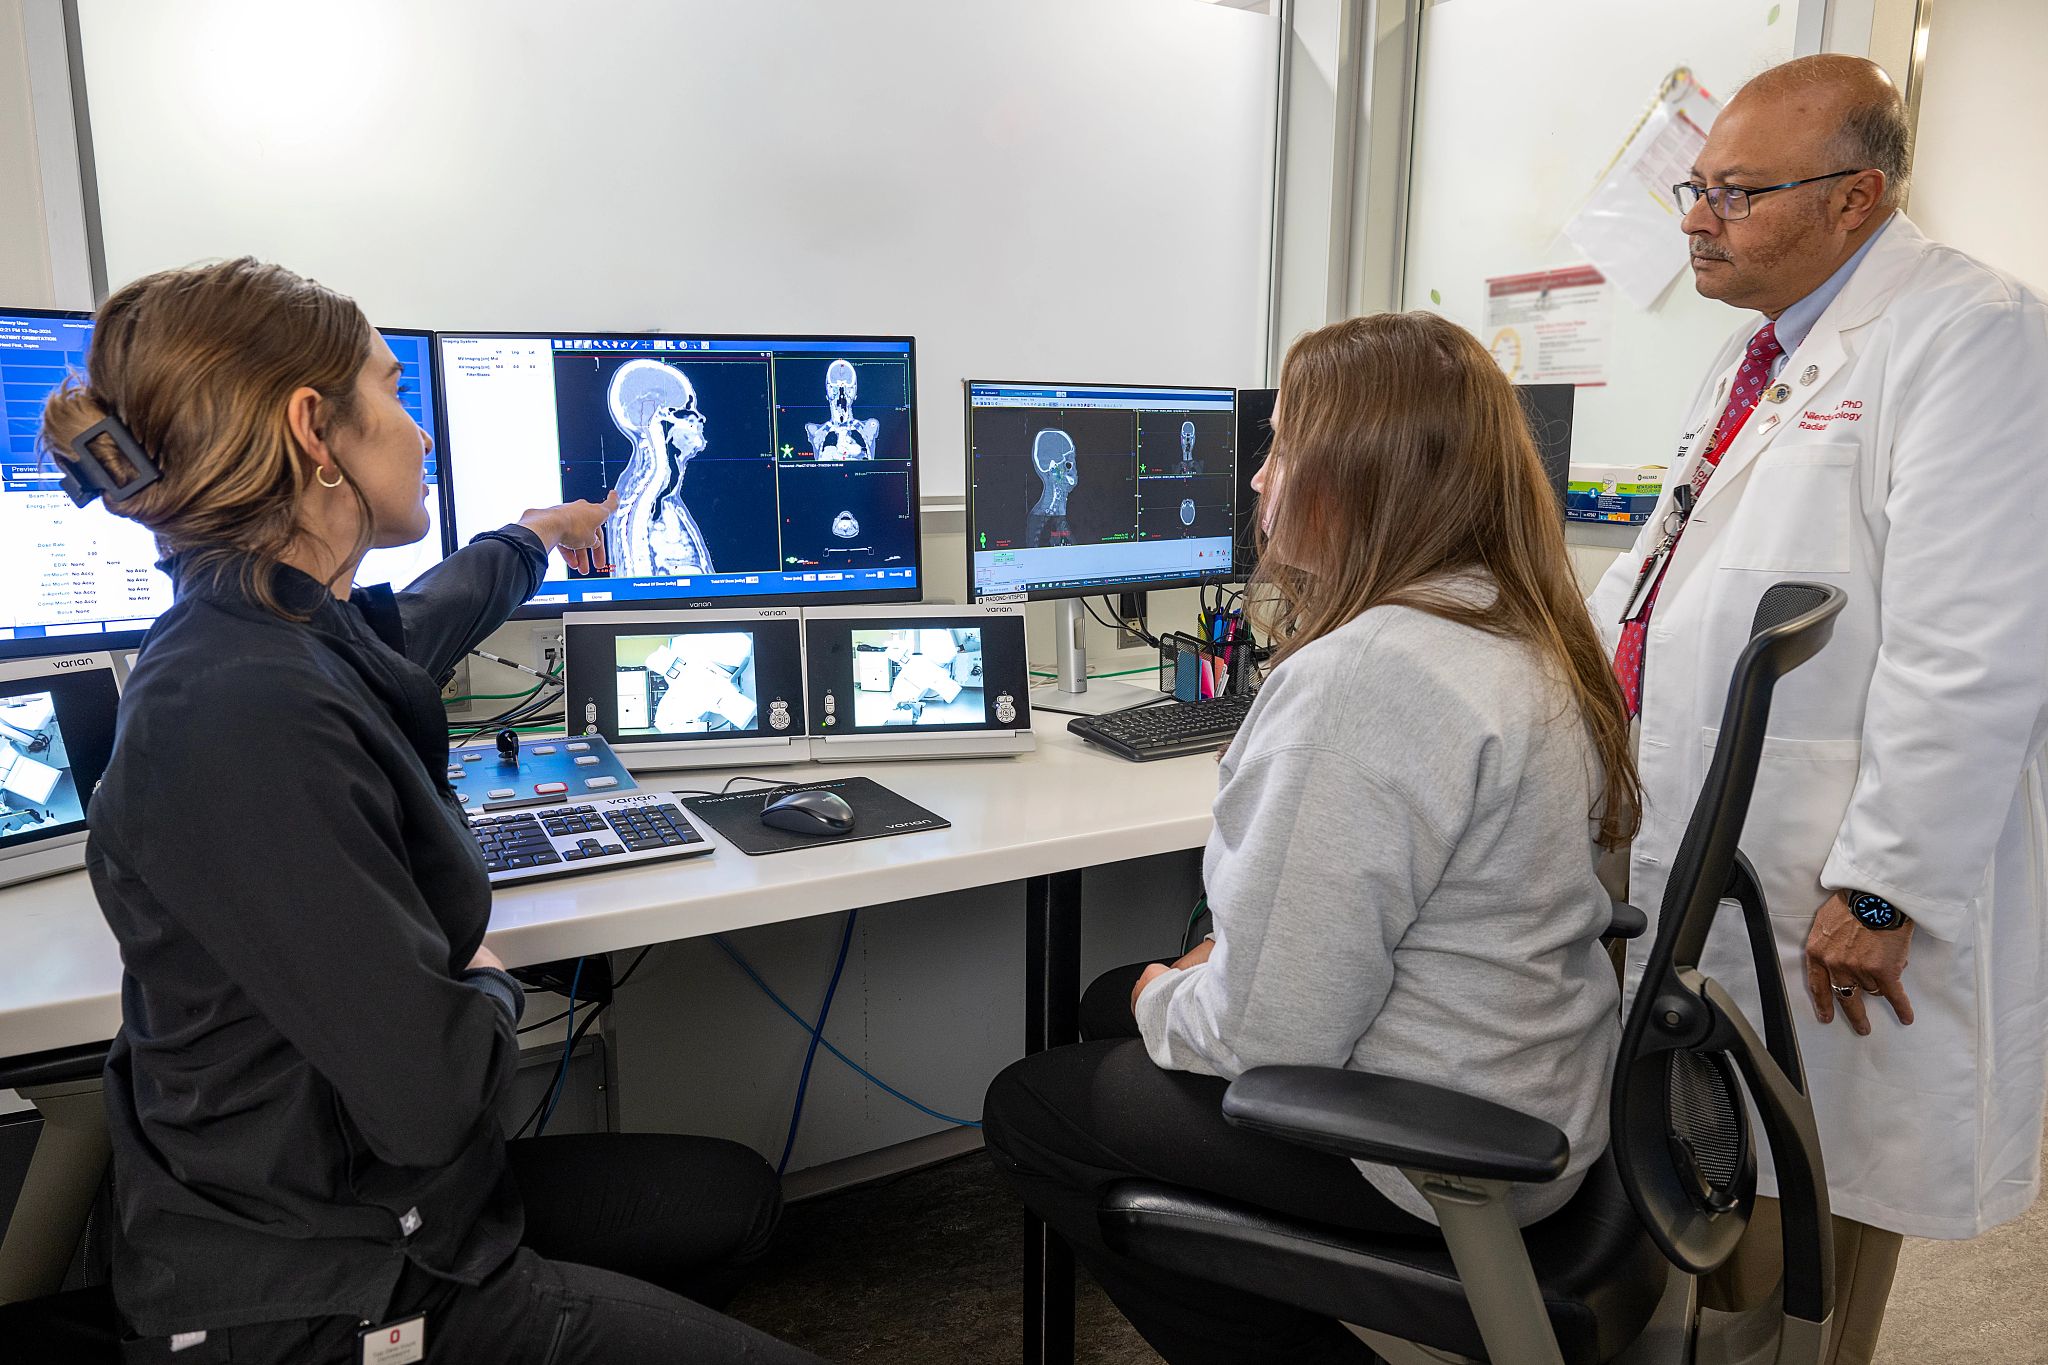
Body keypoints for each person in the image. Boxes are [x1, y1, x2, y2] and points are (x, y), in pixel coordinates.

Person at [44, 258, 822, 1365]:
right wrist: (488, 980)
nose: (419, 434)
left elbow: (408, 628)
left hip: (376, 1199)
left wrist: (532, 541)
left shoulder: (264, 626)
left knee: (727, 1195)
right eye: (396, 392)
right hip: (328, 1291)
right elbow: (430, 1095)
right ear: (315, 430)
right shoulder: (238, 709)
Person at [983, 311, 1642, 1365]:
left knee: (1034, 1104)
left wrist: (1170, 989)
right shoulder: (1514, 624)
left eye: (1281, 446)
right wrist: (1193, 976)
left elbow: (1268, 1039)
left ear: (1358, 474)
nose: (1255, 480)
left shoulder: (1369, 674)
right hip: (1538, 1091)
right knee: (1109, 1001)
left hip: (1431, 1142)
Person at [1586, 54, 2048, 1365]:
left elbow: (1979, 638)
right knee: (1720, 1183)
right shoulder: (1759, 351)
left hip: (1837, 884)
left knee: (1810, 1217)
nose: (1695, 218)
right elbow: (1658, 574)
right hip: (1717, 845)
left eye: (1735, 193)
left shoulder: (1975, 331)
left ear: (1858, 198)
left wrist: (1888, 884)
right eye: (1696, 185)